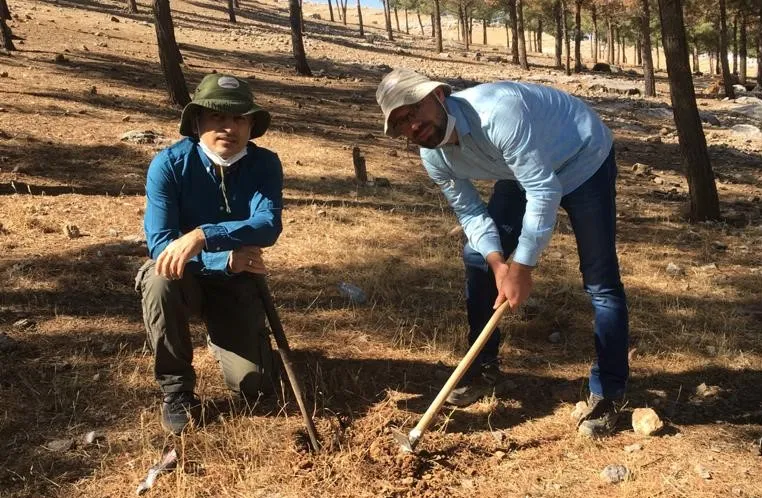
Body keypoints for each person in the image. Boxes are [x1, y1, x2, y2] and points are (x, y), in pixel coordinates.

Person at [376, 68, 629, 437]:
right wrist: (498, 262)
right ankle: (484, 366)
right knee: (478, 258)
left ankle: (609, 391)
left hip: (582, 155)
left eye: (414, 111)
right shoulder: (433, 156)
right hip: (522, 170)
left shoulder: (498, 113)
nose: (412, 126)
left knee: (600, 281)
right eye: (400, 123)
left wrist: (522, 266)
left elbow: (543, 191)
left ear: (439, 96)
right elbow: (470, 211)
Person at [135, 73, 283, 434]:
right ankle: (177, 391)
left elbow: (267, 225)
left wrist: (204, 235)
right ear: (197, 121)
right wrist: (223, 258)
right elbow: (161, 243)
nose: (228, 128)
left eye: (239, 118)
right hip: (186, 278)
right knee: (158, 278)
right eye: (218, 117)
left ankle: (225, 340)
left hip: (236, 284)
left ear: (251, 125)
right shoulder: (168, 165)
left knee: (257, 388)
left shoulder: (265, 164)